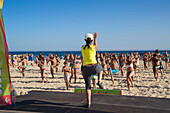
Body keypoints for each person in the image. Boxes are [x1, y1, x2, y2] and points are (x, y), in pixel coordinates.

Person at [81, 32, 103, 108]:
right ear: (92, 40)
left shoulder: (82, 47)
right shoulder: (94, 47)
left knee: (88, 87)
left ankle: (88, 103)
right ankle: (99, 81)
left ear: (85, 40)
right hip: (94, 66)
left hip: (85, 68)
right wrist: (96, 38)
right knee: (101, 68)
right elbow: (95, 45)